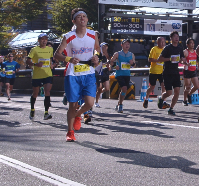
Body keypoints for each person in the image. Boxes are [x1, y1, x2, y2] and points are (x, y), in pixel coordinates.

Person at [55, 8, 102, 142]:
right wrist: (68, 59)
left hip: (88, 72)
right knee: (73, 104)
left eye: (84, 16)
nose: (82, 18)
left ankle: (77, 115)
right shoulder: (69, 36)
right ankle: (70, 132)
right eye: (79, 17)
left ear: (87, 20)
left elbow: (97, 49)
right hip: (73, 74)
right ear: (74, 21)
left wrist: (96, 56)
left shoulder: (93, 34)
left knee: (89, 102)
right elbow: (57, 54)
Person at [27, 33, 55, 120]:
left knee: (47, 91)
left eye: (46, 39)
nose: (44, 41)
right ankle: (32, 109)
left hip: (47, 74)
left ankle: (46, 113)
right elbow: (27, 61)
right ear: (38, 40)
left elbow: (50, 60)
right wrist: (35, 64)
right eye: (42, 39)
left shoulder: (50, 49)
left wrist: (52, 64)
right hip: (37, 75)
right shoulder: (34, 50)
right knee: (35, 93)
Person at [157, 31, 185, 115]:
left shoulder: (180, 48)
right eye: (175, 36)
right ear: (171, 38)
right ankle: (161, 98)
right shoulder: (167, 48)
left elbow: (182, 58)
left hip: (176, 72)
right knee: (169, 92)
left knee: (177, 91)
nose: (177, 38)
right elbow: (160, 59)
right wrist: (169, 59)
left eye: (178, 36)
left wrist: (183, 61)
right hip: (167, 72)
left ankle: (171, 109)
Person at [110, 39, 135, 113]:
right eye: (125, 44)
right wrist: (115, 66)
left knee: (124, 90)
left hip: (127, 74)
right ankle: (120, 105)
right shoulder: (117, 54)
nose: (127, 45)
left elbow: (134, 65)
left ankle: (118, 104)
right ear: (122, 45)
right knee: (124, 88)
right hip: (119, 74)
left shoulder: (131, 54)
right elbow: (111, 62)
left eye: (128, 44)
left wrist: (132, 63)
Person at [145, 37, 166, 108]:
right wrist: (158, 60)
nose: (162, 43)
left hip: (162, 71)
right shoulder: (154, 49)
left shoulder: (165, 49)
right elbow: (149, 59)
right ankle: (146, 99)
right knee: (152, 87)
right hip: (154, 71)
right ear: (157, 42)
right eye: (161, 42)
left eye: (164, 42)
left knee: (163, 86)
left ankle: (163, 101)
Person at [182, 38, 199, 105]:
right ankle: (184, 100)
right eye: (191, 43)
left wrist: (198, 64)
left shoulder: (195, 52)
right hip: (187, 71)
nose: (193, 44)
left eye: (193, 43)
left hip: (193, 70)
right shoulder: (185, 52)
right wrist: (185, 63)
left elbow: (196, 60)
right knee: (187, 87)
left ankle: (189, 94)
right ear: (187, 44)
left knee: (196, 86)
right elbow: (181, 60)